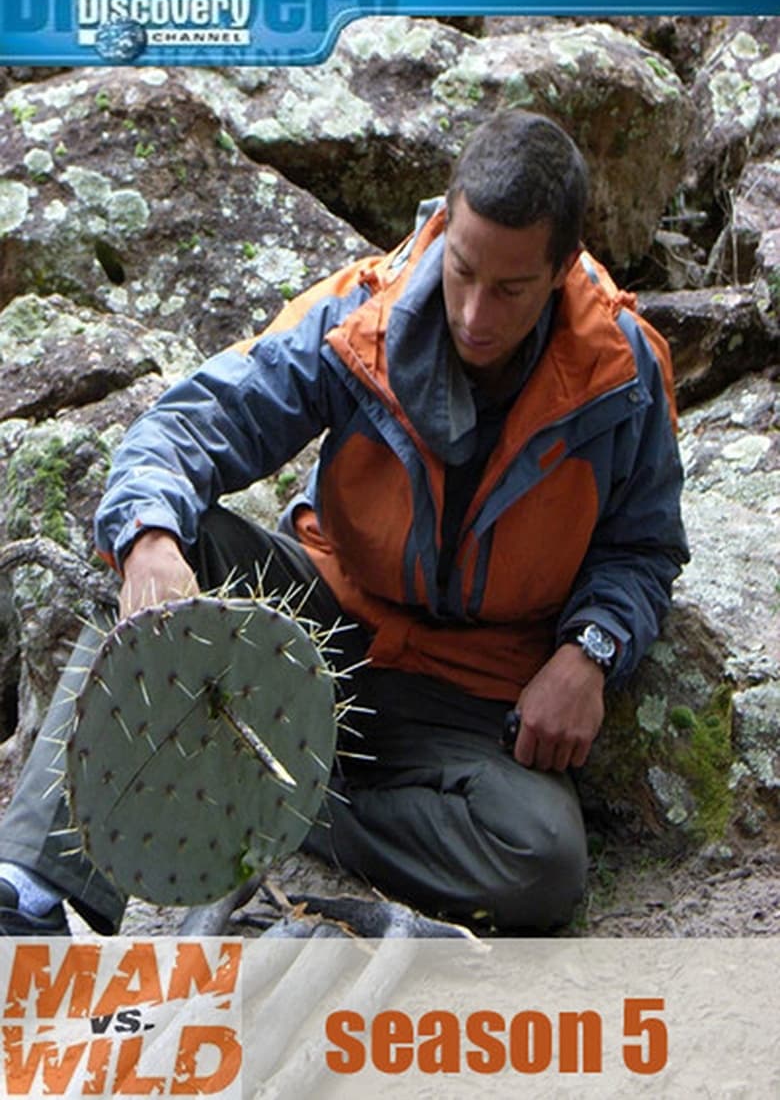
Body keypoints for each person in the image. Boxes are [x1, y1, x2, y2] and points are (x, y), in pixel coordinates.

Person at [0, 110, 688, 936]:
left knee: (542, 860)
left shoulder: (623, 373)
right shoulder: (358, 320)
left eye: (509, 290)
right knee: (184, 543)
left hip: (473, 690)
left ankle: (284, 794)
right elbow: (185, 428)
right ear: (443, 227)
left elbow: (643, 547)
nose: (473, 313)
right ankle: (31, 887)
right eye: (462, 270)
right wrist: (149, 536)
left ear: (563, 270)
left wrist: (591, 652)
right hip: (321, 619)